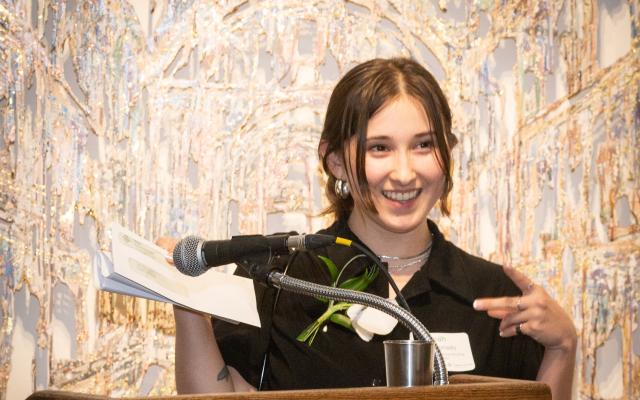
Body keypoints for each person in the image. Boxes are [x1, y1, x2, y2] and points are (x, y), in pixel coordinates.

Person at [155, 57, 577, 399]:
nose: (404, 172)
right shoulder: (278, 278)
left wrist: (562, 347)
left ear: (448, 153)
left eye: (424, 145)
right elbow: (223, 392)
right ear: (336, 160)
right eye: (380, 148)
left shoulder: (494, 297)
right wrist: (188, 304)